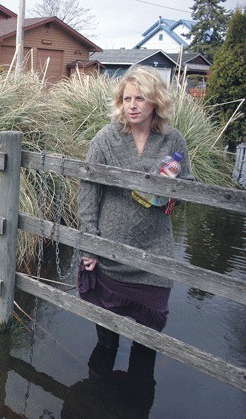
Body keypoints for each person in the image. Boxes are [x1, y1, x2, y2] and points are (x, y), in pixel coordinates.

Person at [77, 66, 194, 354]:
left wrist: (174, 189)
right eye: (127, 99)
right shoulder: (106, 138)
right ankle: (101, 394)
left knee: (147, 345)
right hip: (111, 254)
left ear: (155, 102)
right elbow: (88, 192)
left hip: (155, 254)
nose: (132, 106)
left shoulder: (173, 140)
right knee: (106, 343)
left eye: (140, 98)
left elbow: (190, 186)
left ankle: (136, 395)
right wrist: (90, 244)